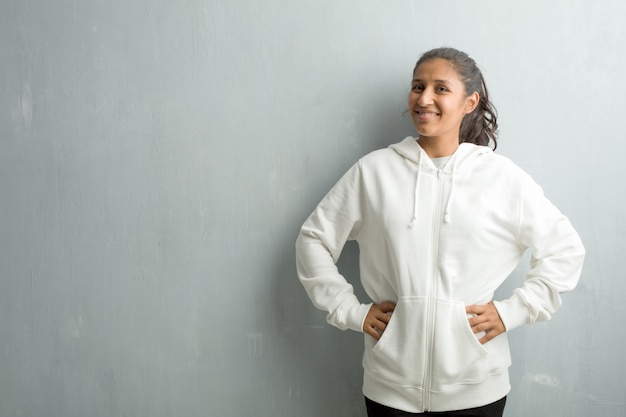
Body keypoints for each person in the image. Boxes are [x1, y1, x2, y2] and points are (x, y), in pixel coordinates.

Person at [295, 47, 585, 417]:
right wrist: (350, 311)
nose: (424, 98)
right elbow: (314, 239)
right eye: (418, 86)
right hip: (390, 387)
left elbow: (565, 250)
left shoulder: (501, 179)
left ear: (470, 102)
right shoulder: (374, 172)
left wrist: (515, 310)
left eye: (440, 88)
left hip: (477, 388)